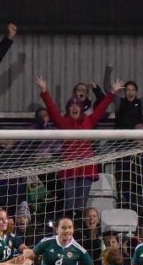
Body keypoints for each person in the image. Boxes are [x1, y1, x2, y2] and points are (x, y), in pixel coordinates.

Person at [36, 76, 122, 215]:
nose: (74, 108)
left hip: (86, 168)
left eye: (77, 106)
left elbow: (101, 109)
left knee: (81, 204)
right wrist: (45, 91)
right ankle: (68, 230)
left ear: (81, 109)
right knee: (69, 203)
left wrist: (112, 93)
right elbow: (52, 109)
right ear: (68, 109)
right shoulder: (63, 122)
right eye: (72, 106)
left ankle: (81, 233)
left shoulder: (89, 120)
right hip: (69, 168)